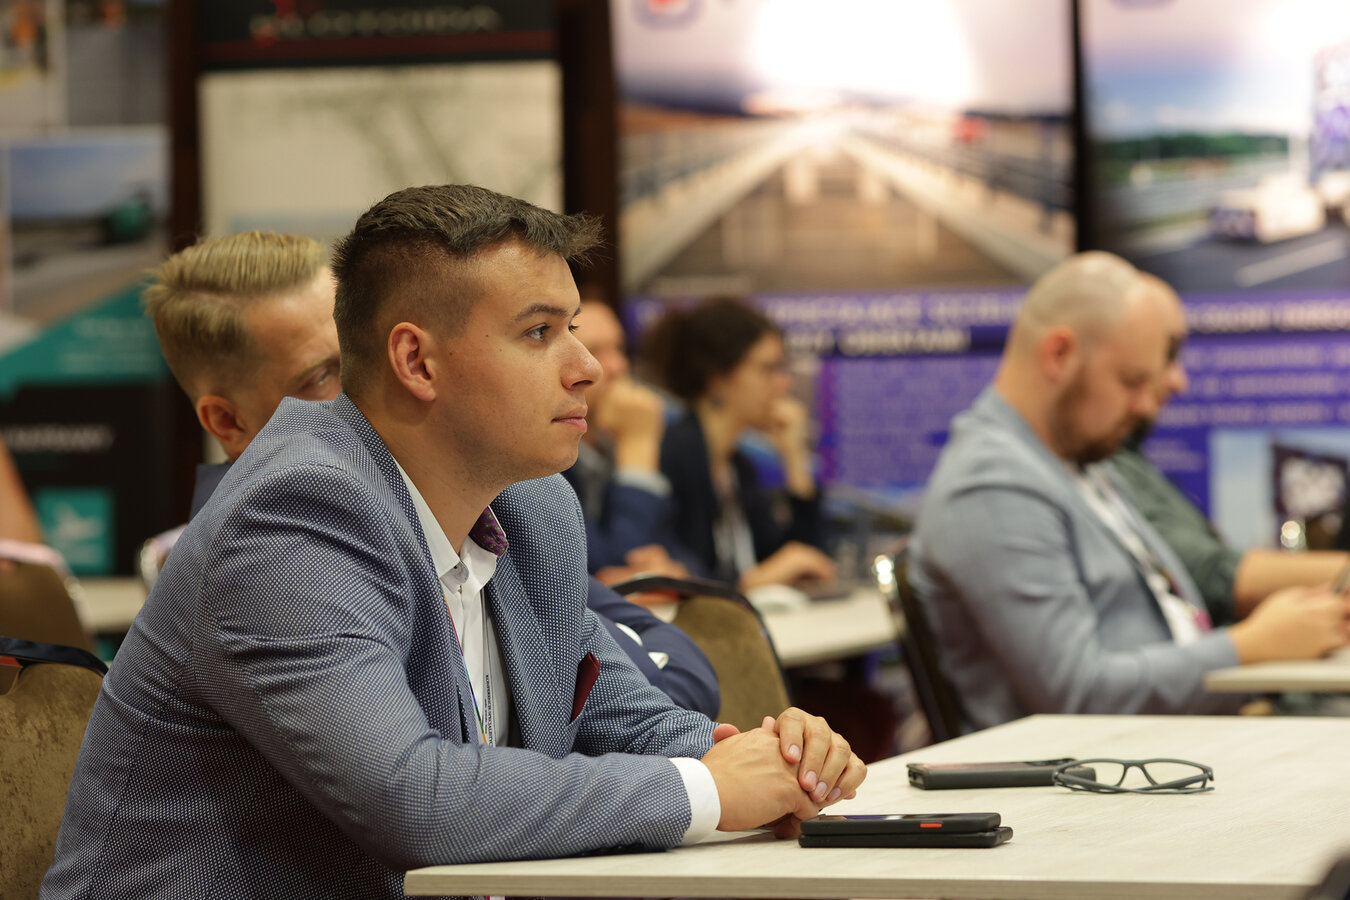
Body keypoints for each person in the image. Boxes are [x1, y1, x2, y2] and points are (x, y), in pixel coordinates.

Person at [43, 185, 865, 899]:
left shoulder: (533, 508)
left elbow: (633, 722)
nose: (587, 367)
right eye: (539, 333)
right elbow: (415, 799)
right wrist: (707, 792)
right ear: (417, 361)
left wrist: (783, 761)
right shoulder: (293, 515)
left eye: (575, 327)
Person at [143, 231, 717, 715]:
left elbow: (654, 682)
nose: (373, 383)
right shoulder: (278, 541)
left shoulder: (496, 501)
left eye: (362, 351)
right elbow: (422, 786)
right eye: (325, 374)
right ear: (227, 422)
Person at [909, 251, 1349, 732]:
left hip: (1174, 740)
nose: (1147, 404)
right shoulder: (990, 484)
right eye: (1131, 381)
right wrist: (1252, 646)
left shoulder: (1074, 458)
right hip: (1112, 761)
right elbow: (1075, 693)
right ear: (1059, 355)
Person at [643, 297, 835, 591]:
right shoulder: (674, 456)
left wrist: (795, 460)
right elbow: (680, 575)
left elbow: (802, 562)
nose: (783, 384)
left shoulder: (737, 466)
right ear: (719, 377)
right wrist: (752, 581)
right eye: (769, 369)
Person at [1112, 427, 1350, 627]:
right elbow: (1205, 573)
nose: (1178, 387)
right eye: (1131, 387)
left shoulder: (1126, 457)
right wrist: (1249, 644)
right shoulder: (1110, 463)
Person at [563, 297, 694, 581]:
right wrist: (639, 447)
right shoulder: (548, 463)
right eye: (594, 350)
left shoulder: (611, 448)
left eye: (620, 349)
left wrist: (675, 571)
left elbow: (685, 555)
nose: (618, 367)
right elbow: (614, 569)